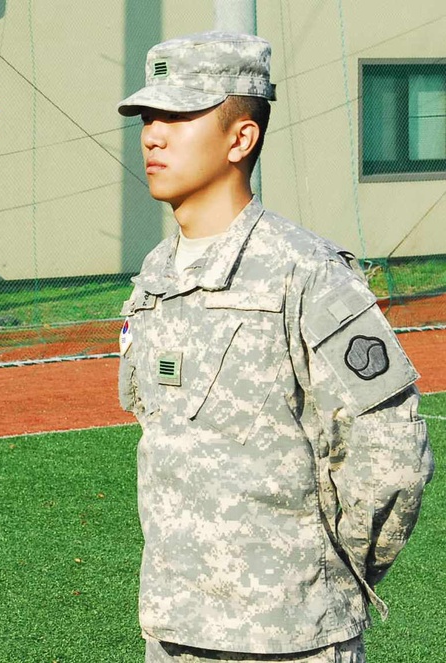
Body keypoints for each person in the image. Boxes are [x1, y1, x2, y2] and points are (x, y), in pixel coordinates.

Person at [115, 32, 434, 662]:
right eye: (150, 117)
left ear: (241, 138)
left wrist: (326, 577)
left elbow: (392, 455)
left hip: (289, 638)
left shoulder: (306, 273)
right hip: (175, 631)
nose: (154, 134)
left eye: (179, 116)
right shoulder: (156, 277)